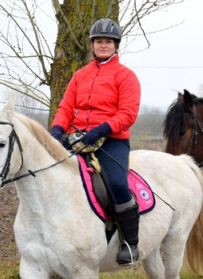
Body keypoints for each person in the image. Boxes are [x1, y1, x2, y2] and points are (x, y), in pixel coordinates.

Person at [50, 18, 142, 264]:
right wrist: (57, 130)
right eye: (99, 41)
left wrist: (102, 129)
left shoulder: (126, 76)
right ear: (92, 45)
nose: (103, 45)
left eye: (108, 42)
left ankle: (130, 244)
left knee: (117, 183)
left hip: (111, 141)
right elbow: (66, 106)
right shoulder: (80, 75)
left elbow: (128, 113)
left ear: (116, 45)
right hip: (78, 138)